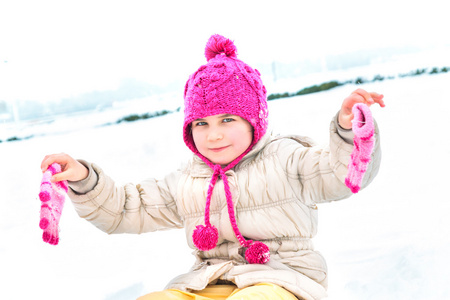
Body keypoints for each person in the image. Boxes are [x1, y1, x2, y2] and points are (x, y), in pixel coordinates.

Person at [41, 34, 385, 300]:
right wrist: (85, 180)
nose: (214, 135)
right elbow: (127, 209)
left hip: (283, 281)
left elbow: (341, 175)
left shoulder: (286, 159)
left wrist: (348, 131)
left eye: (227, 119)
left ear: (254, 122)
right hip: (207, 283)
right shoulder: (188, 180)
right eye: (200, 124)